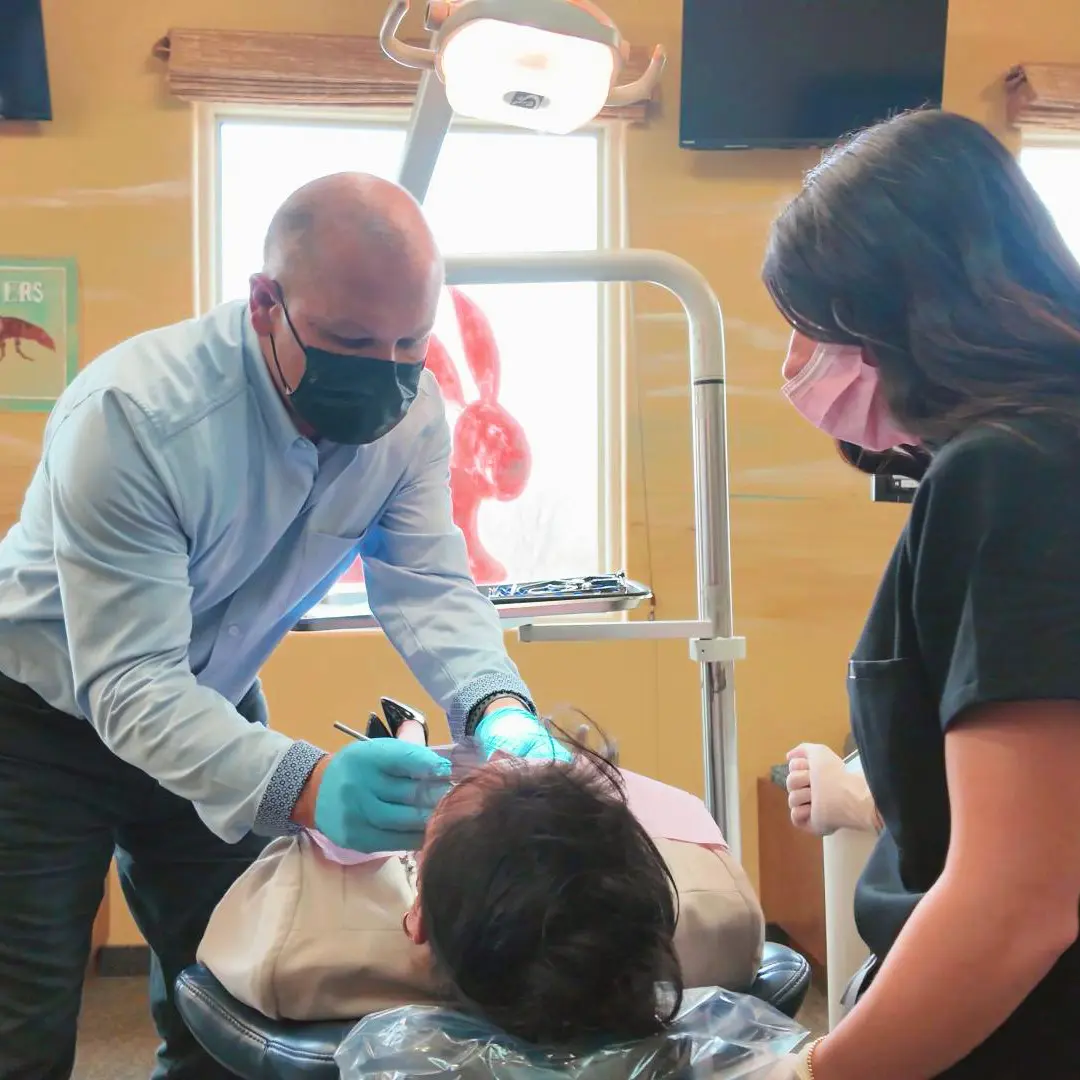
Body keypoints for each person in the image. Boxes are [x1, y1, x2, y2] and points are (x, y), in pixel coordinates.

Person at [0, 172, 564, 1080]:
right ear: (266, 302)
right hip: (35, 716)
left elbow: (423, 579)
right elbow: (132, 682)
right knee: (18, 1016)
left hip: (214, 695)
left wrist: (495, 701)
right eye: (348, 340)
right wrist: (307, 785)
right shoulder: (136, 418)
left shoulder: (410, 414)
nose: (383, 371)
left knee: (238, 992)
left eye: (409, 344)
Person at [759, 108, 1080, 1080]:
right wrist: (877, 793)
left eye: (816, 330)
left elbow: (1019, 899)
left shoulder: (1015, 474)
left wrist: (818, 1074)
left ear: (905, 314)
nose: (798, 365)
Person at [198, 720, 765, 1043]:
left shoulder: (291, 959)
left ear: (416, 918)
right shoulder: (723, 919)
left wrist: (307, 792)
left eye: (420, 848)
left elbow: (236, 938)